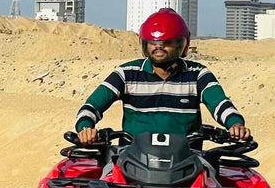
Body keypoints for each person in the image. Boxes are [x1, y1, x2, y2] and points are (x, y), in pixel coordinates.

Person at [75, 8, 250, 144]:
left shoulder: (198, 75)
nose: (159, 47)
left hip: (188, 160)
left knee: (222, 185)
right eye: (153, 42)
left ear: (182, 44)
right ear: (145, 44)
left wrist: (235, 124)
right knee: (102, 181)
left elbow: (220, 104)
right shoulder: (126, 74)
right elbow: (92, 105)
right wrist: (86, 128)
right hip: (130, 158)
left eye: (167, 42)